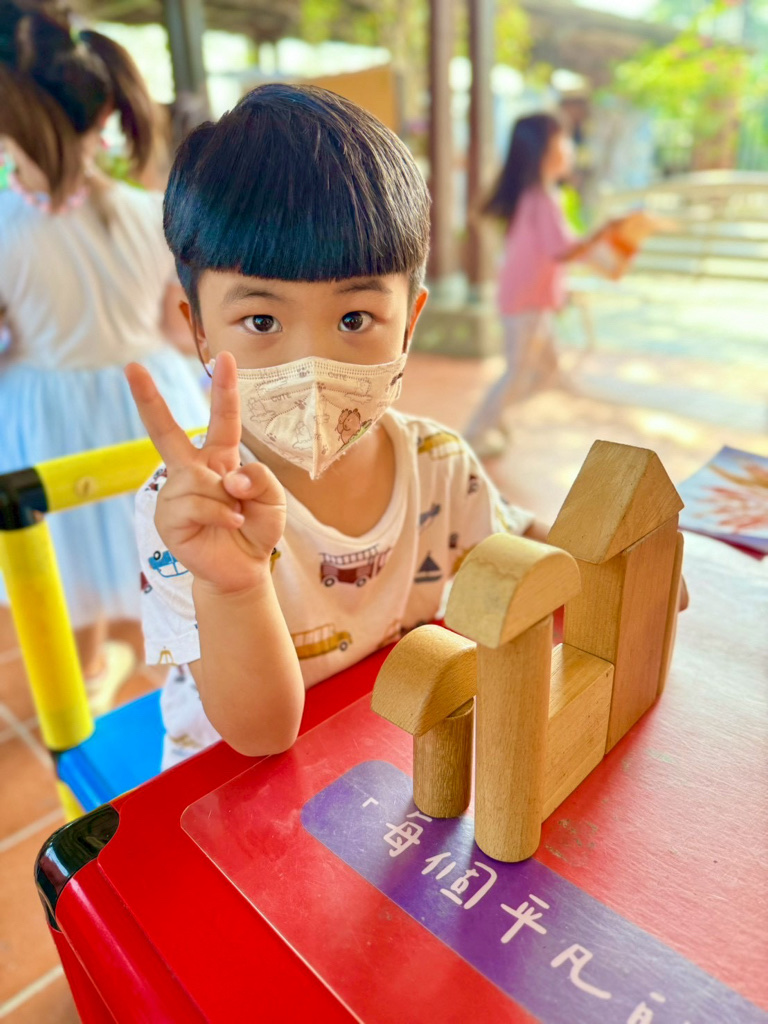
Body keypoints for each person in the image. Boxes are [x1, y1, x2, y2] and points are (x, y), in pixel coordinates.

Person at [127, 84, 550, 769]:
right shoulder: (186, 517)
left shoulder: (439, 462)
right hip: (231, 785)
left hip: (387, 753)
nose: (311, 363)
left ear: (408, 323)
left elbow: (524, 546)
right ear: (200, 330)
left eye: (355, 318)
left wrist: (615, 552)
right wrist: (233, 586)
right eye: (261, 320)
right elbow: (261, 739)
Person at [0, 2, 208, 710]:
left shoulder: (6, 227)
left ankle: (87, 680)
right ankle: (173, 680)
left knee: (64, 559)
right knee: (158, 545)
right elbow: (174, 322)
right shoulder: (152, 213)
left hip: (45, 413)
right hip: (148, 395)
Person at [463, 112, 619, 458]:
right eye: (562, 140)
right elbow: (564, 249)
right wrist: (606, 241)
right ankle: (474, 434)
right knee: (519, 372)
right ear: (545, 150)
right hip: (526, 303)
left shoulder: (540, 195)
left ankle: (496, 419)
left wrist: (602, 254)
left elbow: (565, 248)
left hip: (531, 301)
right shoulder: (541, 198)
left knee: (546, 372)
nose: (569, 147)